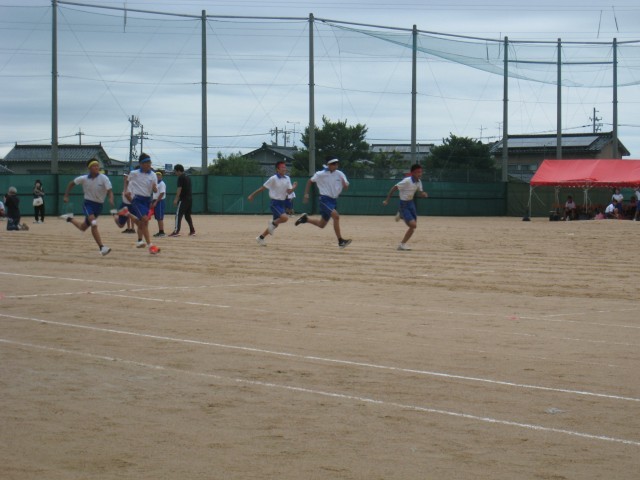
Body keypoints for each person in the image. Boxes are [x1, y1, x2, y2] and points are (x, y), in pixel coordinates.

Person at [60, 158, 114, 255]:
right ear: (89, 168)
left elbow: (109, 191)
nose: (96, 167)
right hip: (88, 204)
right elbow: (71, 183)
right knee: (94, 223)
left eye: (97, 166)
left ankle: (69, 218)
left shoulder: (104, 178)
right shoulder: (84, 178)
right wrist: (66, 195)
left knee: (83, 227)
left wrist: (110, 198)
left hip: (99, 206)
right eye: (94, 166)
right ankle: (102, 247)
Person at [295, 157, 352, 248]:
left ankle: (305, 219)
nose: (336, 165)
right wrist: (306, 195)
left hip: (333, 200)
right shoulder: (320, 174)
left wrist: (345, 185)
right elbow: (310, 181)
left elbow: (346, 187)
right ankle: (341, 241)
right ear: (328, 165)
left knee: (322, 224)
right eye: (333, 164)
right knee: (336, 216)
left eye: (336, 163)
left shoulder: (340, 174)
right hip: (325, 200)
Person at [247, 160, 297, 246]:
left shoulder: (287, 178)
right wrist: (252, 195)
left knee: (275, 225)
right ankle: (272, 223)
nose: (284, 169)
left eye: (285, 167)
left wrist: (294, 187)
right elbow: (262, 188)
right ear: (277, 169)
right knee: (285, 218)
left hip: (282, 203)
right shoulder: (273, 178)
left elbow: (289, 192)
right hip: (275, 203)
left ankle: (260, 238)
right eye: (282, 167)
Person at [382, 164, 429, 251]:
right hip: (404, 204)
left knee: (413, 227)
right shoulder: (407, 181)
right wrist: (387, 200)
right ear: (413, 173)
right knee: (413, 225)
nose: (420, 174)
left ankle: (402, 244)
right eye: (418, 172)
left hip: (411, 204)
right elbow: (394, 188)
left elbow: (420, 192)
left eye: (421, 172)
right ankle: (401, 214)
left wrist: (423, 194)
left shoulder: (419, 182)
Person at [122, 152, 160, 254]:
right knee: (144, 219)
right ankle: (150, 246)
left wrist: (154, 188)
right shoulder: (134, 173)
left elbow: (155, 190)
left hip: (147, 200)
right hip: (137, 200)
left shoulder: (153, 175)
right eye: (146, 163)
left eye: (149, 163)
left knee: (144, 222)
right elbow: (126, 180)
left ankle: (139, 241)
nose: (148, 165)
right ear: (141, 164)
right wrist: (126, 190)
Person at [169, 163, 196, 237]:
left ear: (178, 171)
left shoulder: (180, 177)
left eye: (175, 171)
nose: (175, 173)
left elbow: (179, 189)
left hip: (183, 199)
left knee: (178, 214)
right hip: (189, 199)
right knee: (187, 215)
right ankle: (192, 231)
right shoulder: (187, 177)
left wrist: (176, 199)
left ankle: (176, 231)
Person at [152, 171, 167, 237]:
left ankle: (162, 232)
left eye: (159, 175)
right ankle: (160, 231)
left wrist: (156, 202)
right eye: (156, 175)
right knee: (158, 217)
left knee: (160, 217)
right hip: (156, 201)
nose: (157, 176)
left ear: (161, 176)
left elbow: (162, 193)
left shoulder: (161, 183)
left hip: (160, 202)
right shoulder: (156, 184)